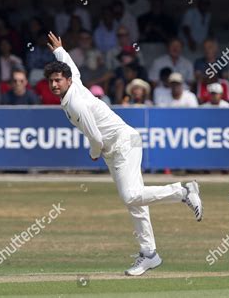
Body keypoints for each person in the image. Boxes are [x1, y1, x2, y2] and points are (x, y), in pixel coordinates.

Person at [45, 32, 203, 276]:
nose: (54, 85)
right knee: (136, 202)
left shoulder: (76, 103)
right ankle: (149, 254)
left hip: (122, 144)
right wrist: (59, 51)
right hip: (117, 147)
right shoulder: (73, 82)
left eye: (58, 80)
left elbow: (96, 138)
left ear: (67, 81)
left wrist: (94, 153)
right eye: (51, 81)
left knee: (131, 197)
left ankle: (183, 191)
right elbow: (72, 67)